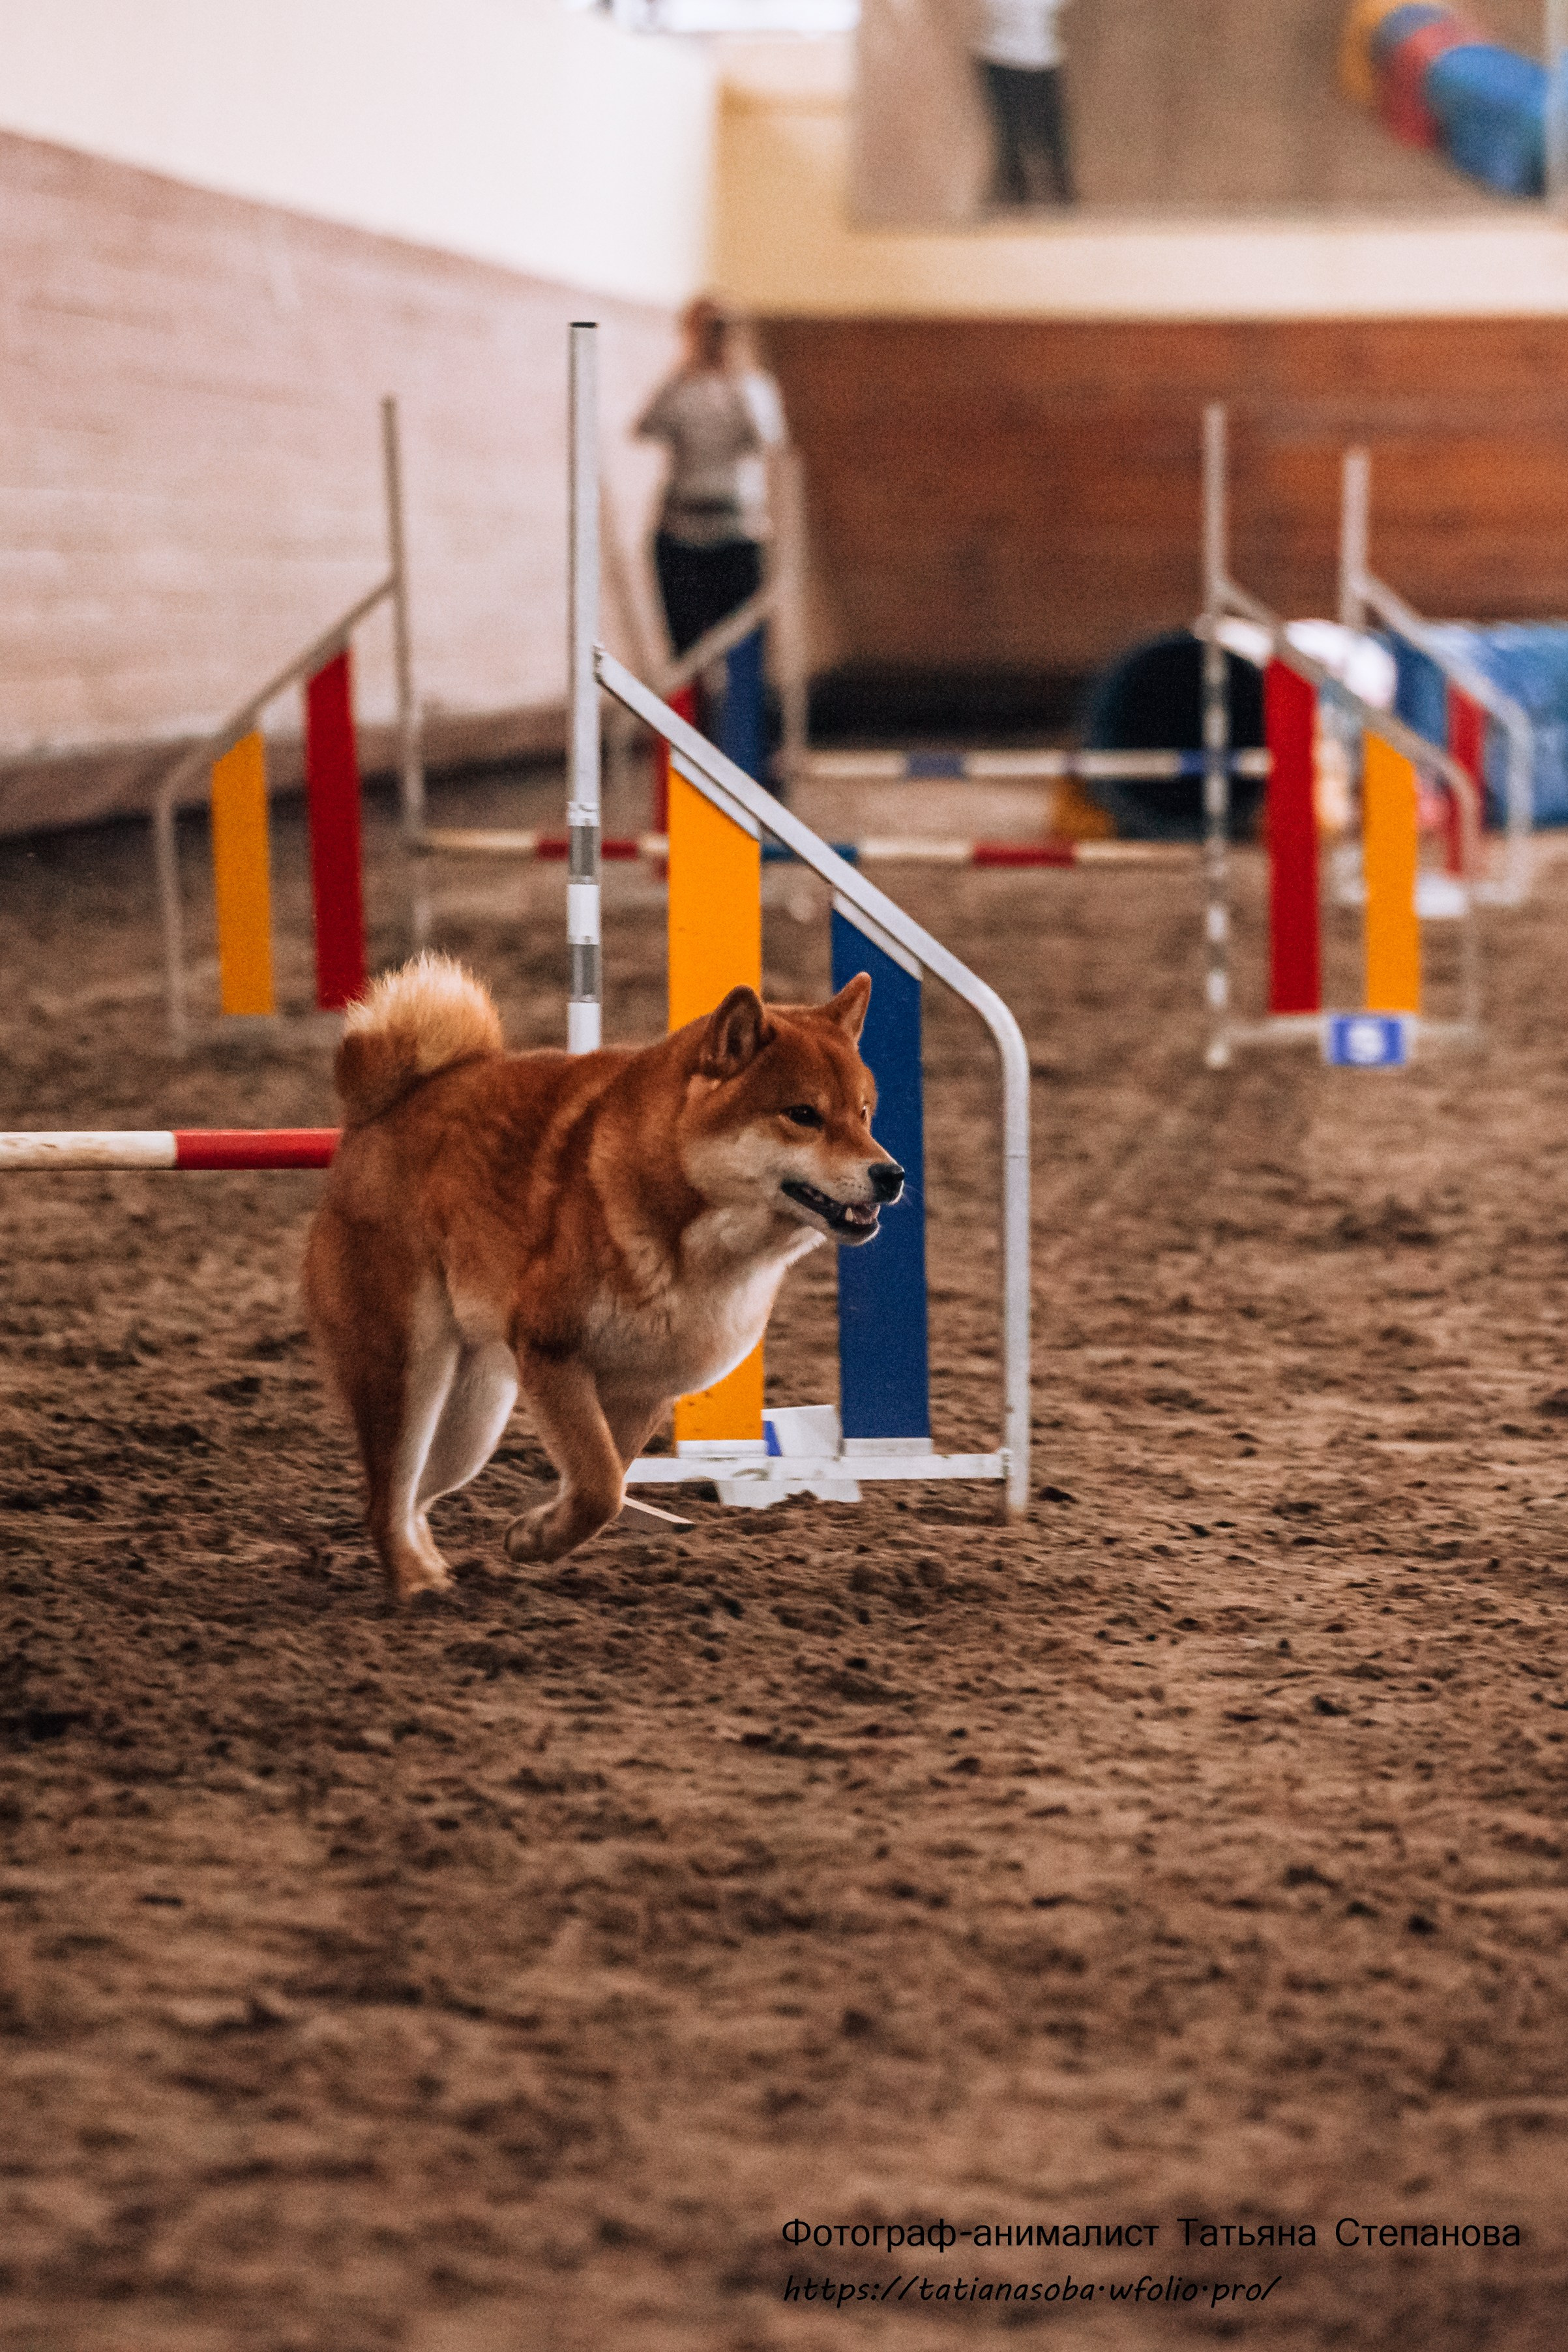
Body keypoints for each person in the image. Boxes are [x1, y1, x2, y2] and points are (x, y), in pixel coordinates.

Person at [636, 298, 787, 661]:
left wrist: (734, 386)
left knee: (743, 652)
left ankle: (738, 720)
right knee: (686, 653)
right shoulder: (681, 387)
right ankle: (688, 720)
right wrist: (688, 377)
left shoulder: (752, 387)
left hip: (738, 530)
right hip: (680, 529)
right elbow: (646, 428)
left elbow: (770, 440)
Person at [971, 0, 1076, 209]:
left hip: (1035, 59)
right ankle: (1018, 194)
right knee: (1014, 136)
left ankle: (1057, 195)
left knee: (1047, 136)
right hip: (1005, 58)